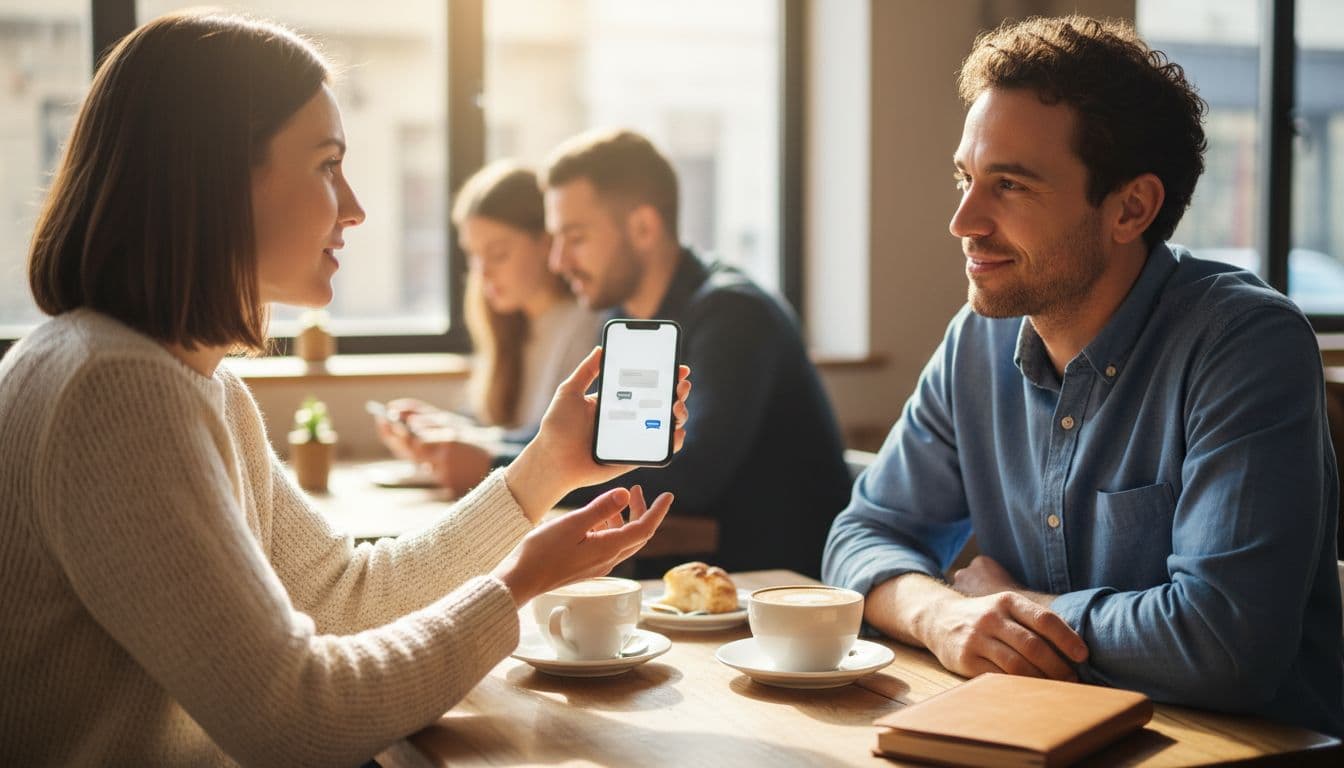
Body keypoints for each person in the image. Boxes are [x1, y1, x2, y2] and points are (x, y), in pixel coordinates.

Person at [0, 12, 690, 765]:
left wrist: (542, 471)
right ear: (218, 178)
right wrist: (519, 582)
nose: (355, 206)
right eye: (327, 164)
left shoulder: (196, 384)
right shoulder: (117, 390)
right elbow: (294, 718)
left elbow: (342, 595)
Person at [822, 15, 1342, 737]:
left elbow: (1227, 643)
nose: (963, 220)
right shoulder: (978, 340)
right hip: (1044, 737)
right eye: (966, 178)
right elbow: (861, 534)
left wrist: (1021, 609)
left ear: (1131, 208)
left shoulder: (1244, 343)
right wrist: (943, 613)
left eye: (1008, 185)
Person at [543, 129, 852, 577]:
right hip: (693, 578)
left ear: (644, 227)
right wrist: (490, 452)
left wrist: (518, 471)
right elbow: (600, 439)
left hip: (774, 593)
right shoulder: (624, 316)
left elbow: (689, 478)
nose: (558, 261)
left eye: (575, 238)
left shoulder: (734, 315)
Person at [374, 161, 602, 493]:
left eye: (497, 254)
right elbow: (506, 434)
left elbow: (549, 448)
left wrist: (464, 444)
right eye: (473, 257)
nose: (482, 273)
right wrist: (441, 431)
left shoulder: (584, 327)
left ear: (545, 244)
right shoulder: (511, 329)